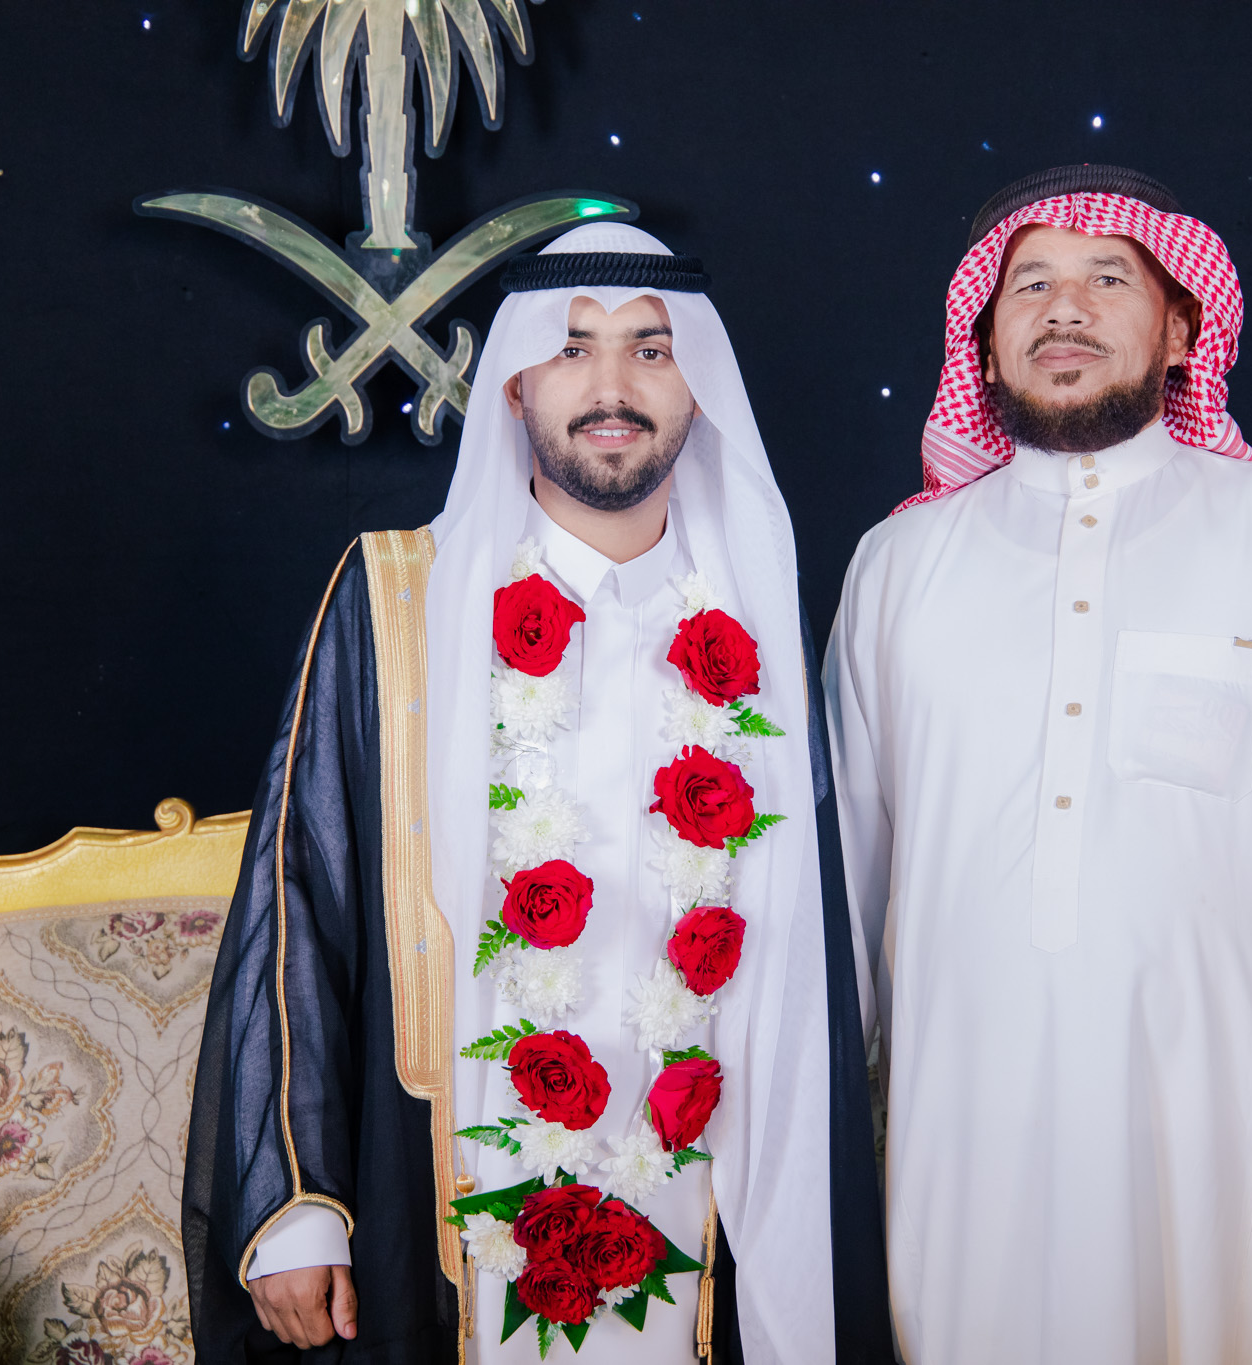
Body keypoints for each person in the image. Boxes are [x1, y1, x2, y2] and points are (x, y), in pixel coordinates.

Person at [185, 221, 890, 1363]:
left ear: (698, 387)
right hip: (455, 1186)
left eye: (651, 350)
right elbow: (298, 892)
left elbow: (805, 964)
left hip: (700, 1193)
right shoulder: (399, 601)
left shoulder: (751, 629)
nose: (612, 387)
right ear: (515, 384)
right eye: (572, 349)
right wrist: (297, 1201)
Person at [823, 165, 1252, 1363]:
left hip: (1245, 1145)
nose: (1063, 309)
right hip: (969, 1147)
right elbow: (846, 893)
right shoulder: (896, 569)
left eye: (1107, 278)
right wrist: (806, 1152)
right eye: (1029, 284)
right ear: (983, 336)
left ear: (1180, 329)